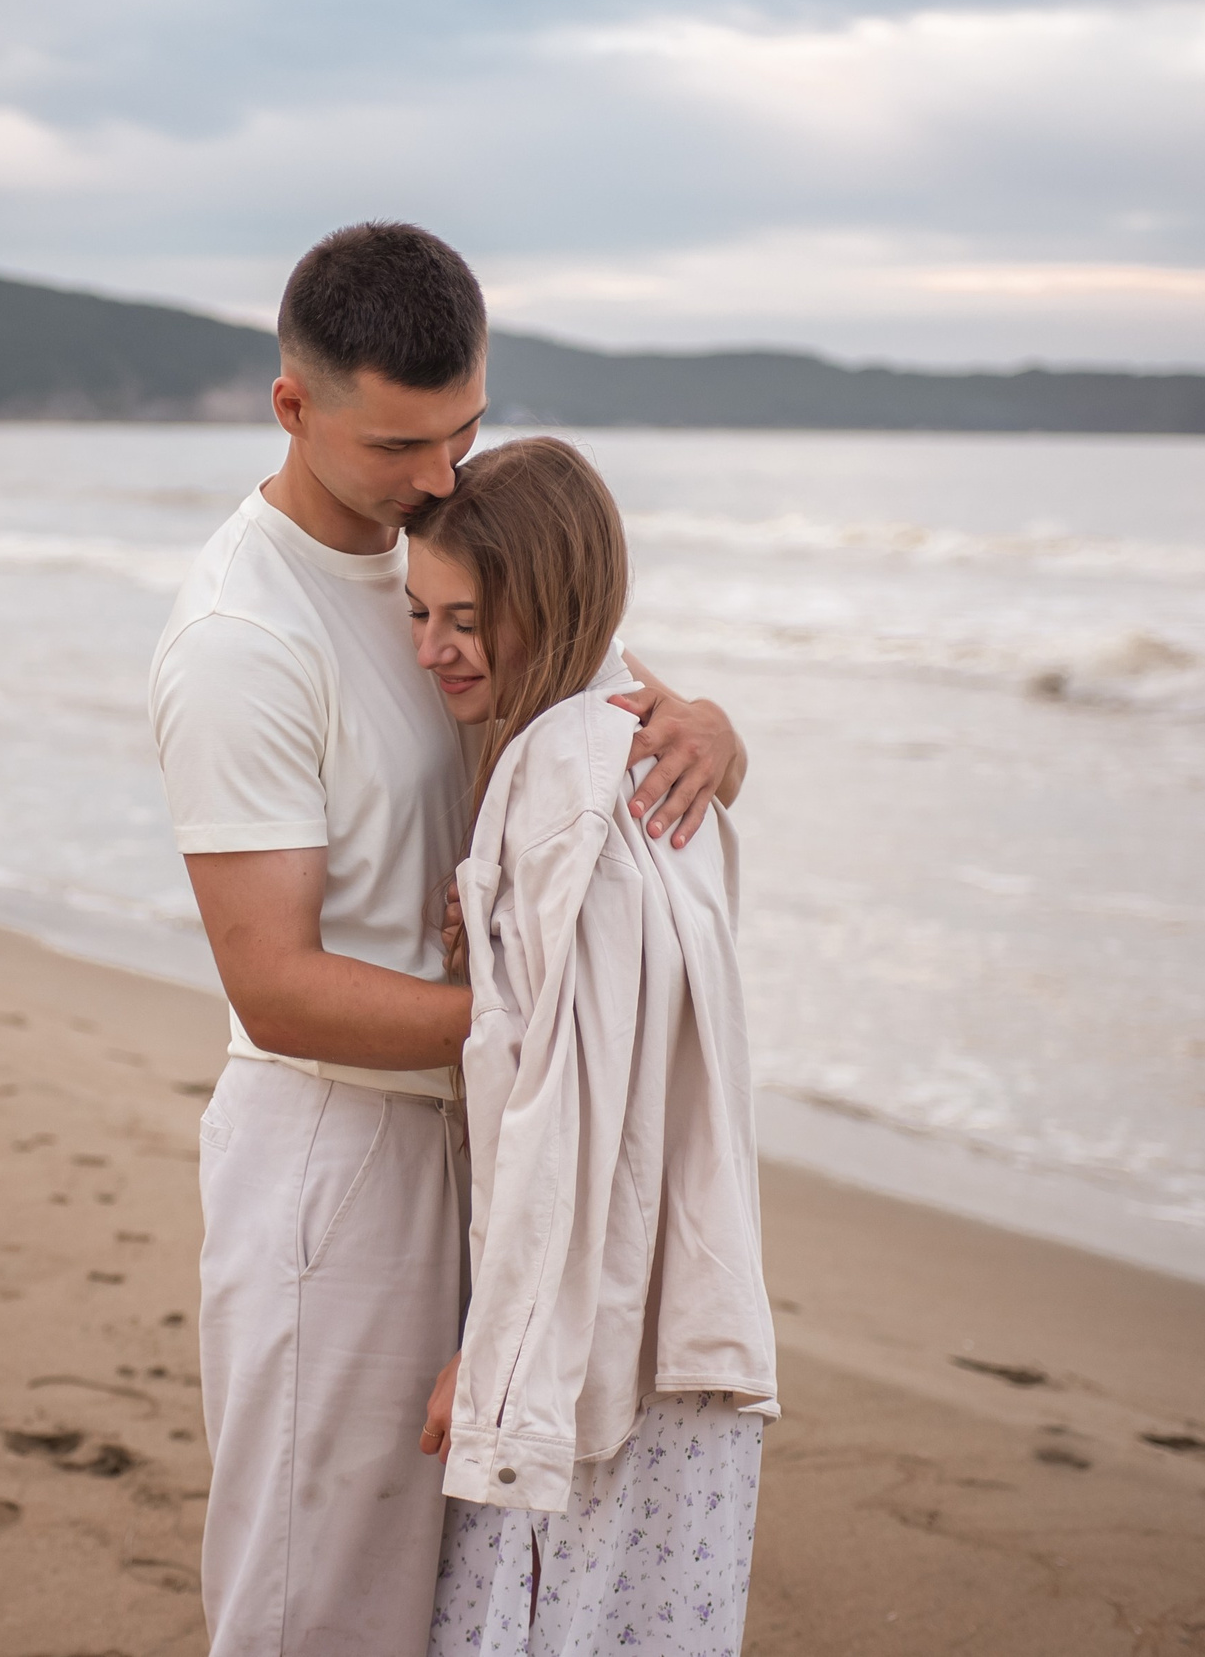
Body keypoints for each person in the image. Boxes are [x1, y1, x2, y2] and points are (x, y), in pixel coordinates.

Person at [147, 224, 747, 1656]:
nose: (438, 474)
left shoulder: (463, 546)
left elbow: (613, 711)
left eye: (464, 429)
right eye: (400, 444)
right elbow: (275, 986)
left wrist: (718, 733)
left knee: (461, 1602)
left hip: (503, 1148)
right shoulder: (245, 636)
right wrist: (549, 1035)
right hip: (340, 1163)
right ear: (293, 408)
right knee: (317, 1601)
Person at [407, 437, 779, 1656]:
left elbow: (567, 1110)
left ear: (549, 604)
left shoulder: (568, 779)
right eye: (418, 610)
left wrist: (497, 1355)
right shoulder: (628, 738)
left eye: (467, 617)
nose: (431, 648)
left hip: (591, 1346)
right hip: (679, 1313)